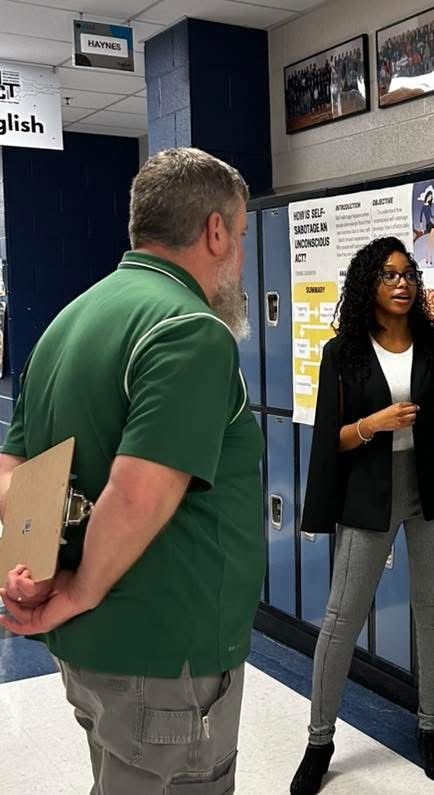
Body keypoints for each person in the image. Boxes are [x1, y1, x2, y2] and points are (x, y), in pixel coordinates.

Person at [0, 147, 265, 793]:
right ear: (215, 230)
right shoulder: (189, 330)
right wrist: (81, 586)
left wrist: (35, 571)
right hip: (166, 649)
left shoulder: (69, 321)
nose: (240, 259)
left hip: (94, 650)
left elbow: (15, 470)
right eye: (242, 236)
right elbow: (140, 491)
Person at [290, 237, 434, 794]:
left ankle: (430, 728)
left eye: (407, 274)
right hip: (369, 494)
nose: (401, 283)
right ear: (370, 283)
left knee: (433, 609)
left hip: (429, 490)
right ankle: (320, 741)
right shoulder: (345, 353)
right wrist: (376, 423)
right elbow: (331, 440)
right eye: (389, 275)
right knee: (341, 618)